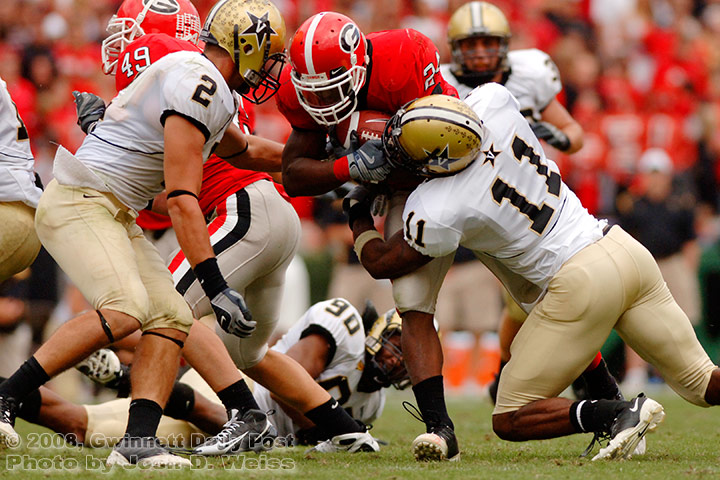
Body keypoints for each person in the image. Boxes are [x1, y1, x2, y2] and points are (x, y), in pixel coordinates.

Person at [72, 0, 380, 458]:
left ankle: (160, 433)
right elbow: (246, 151)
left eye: (132, 35)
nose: (124, 50)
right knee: (249, 354)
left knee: (169, 312)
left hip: (242, 212)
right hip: (271, 216)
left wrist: (103, 135)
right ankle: (347, 431)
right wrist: (329, 166)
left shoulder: (171, 67)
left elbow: (173, 198)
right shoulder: (208, 81)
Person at [346, 89, 720, 461]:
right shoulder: (493, 102)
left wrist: (357, 214)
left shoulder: (438, 206)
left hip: (580, 281)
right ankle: (617, 409)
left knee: (509, 416)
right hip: (624, 250)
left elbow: (383, 263)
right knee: (704, 383)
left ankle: (619, 413)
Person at [0, 0, 290, 467]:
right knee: (125, 310)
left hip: (112, 209)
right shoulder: (200, 82)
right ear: (246, 47)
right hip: (81, 199)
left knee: (171, 316)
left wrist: (331, 160)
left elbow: (247, 151)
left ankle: (136, 443)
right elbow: (181, 200)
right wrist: (216, 286)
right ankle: (6, 397)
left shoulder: (207, 83)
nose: (273, 68)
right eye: (270, 55)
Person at [275, 11, 461, 461]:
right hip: (393, 192)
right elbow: (293, 175)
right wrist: (350, 166)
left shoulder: (404, 57)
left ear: (358, 67)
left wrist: (389, 165)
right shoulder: (299, 94)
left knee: (527, 279)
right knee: (412, 299)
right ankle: (440, 429)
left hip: (445, 176)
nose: (322, 101)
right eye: (312, 90)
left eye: (331, 87)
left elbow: (452, 142)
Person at [442, 1, 620, 404]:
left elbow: (574, 134)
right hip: (475, 205)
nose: (480, 53)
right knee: (531, 296)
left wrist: (555, 135)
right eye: (471, 44)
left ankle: (515, 372)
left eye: (488, 43)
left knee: (533, 297)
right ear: (455, 49)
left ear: (505, 45)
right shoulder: (440, 84)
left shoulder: (529, 75)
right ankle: (582, 379)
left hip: (526, 200)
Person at [4, 298, 407, 449]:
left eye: (406, 358)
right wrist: (340, 430)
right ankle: (139, 383)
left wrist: (333, 434)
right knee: (82, 426)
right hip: (234, 391)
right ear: (380, 329)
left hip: (241, 431)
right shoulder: (344, 326)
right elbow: (290, 390)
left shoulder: (373, 403)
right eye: (396, 345)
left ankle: (129, 378)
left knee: (84, 428)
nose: (395, 360)